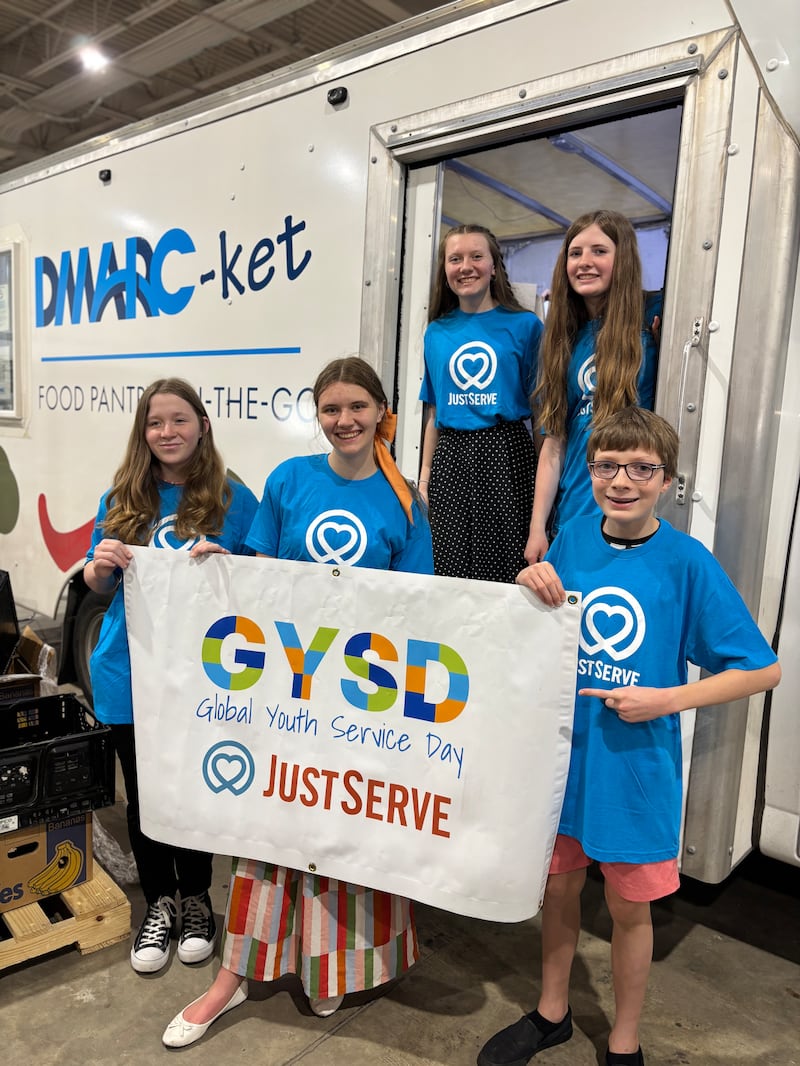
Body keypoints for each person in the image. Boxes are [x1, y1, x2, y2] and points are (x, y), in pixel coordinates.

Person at [478, 406, 780, 1066]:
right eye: (608, 465)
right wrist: (531, 581)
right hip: (568, 760)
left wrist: (669, 698)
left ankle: (623, 1040)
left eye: (641, 468)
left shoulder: (686, 562)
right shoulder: (576, 537)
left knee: (628, 906)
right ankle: (553, 1012)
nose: (622, 480)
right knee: (557, 888)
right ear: (589, 472)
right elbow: (541, 625)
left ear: (667, 480)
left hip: (636, 771)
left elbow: (762, 668)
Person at [162, 356, 434, 1048]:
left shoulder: (406, 503)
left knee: (343, 829)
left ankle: (331, 961)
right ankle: (234, 974)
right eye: (331, 409)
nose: (344, 421)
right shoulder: (290, 481)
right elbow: (259, 576)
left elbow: (418, 609)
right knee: (266, 829)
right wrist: (216, 562)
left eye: (357, 408)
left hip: (360, 699)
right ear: (318, 415)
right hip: (285, 686)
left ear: (381, 412)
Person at [84, 378, 257, 975]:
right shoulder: (121, 497)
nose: (167, 433)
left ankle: (197, 899)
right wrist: (99, 566)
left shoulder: (232, 498)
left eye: (179, 420)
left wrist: (229, 568)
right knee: (145, 793)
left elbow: (262, 582)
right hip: (127, 669)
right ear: (144, 432)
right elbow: (95, 584)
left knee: (193, 789)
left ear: (203, 425)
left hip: (202, 677)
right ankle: (159, 902)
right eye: (156, 423)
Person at [525, 209, 661, 563]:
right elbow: (554, 441)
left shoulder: (653, 318)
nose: (584, 262)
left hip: (630, 507)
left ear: (623, 258)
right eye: (575, 253)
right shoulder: (564, 340)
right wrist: (537, 527)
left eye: (599, 251)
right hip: (573, 512)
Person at [419, 223, 543, 583]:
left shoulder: (525, 325)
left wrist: (539, 482)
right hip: (451, 456)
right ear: (445, 269)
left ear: (494, 266)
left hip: (506, 452)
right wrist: (425, 480)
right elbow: (433, 411)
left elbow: (539, 411)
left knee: (505, 567)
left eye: (476, 256)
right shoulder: (437, 332)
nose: (465, 266)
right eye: (455, 258)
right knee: (448, 566)